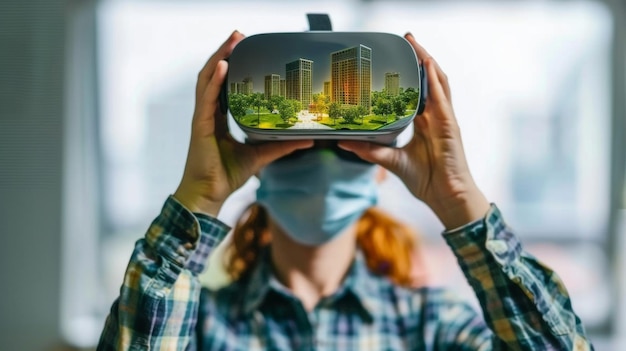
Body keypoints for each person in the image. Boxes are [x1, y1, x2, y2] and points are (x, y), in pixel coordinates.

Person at [97, 31, 593, 350]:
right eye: (294, 143)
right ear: (256, 164)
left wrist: (458, 199)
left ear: (380, 168)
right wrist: (201, 194)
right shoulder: (198, 328)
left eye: (349, 145)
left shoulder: (436, 328)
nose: (322, 156)